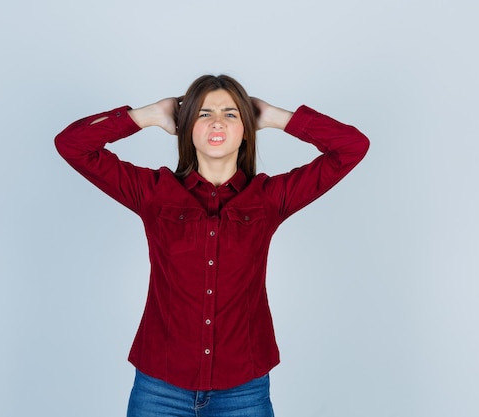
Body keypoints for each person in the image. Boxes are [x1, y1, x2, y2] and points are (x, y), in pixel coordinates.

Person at [55, 74, 369, 417]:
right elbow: (72, 144)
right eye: (204, 113)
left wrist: (279, 118)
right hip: (159, 388)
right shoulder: (153, 193)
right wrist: (148, 115)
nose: (217, 121)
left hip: (243, 389)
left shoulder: (269, 199)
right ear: (187, 126)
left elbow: (352, 147)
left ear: (247, 128)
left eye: (231, 114)